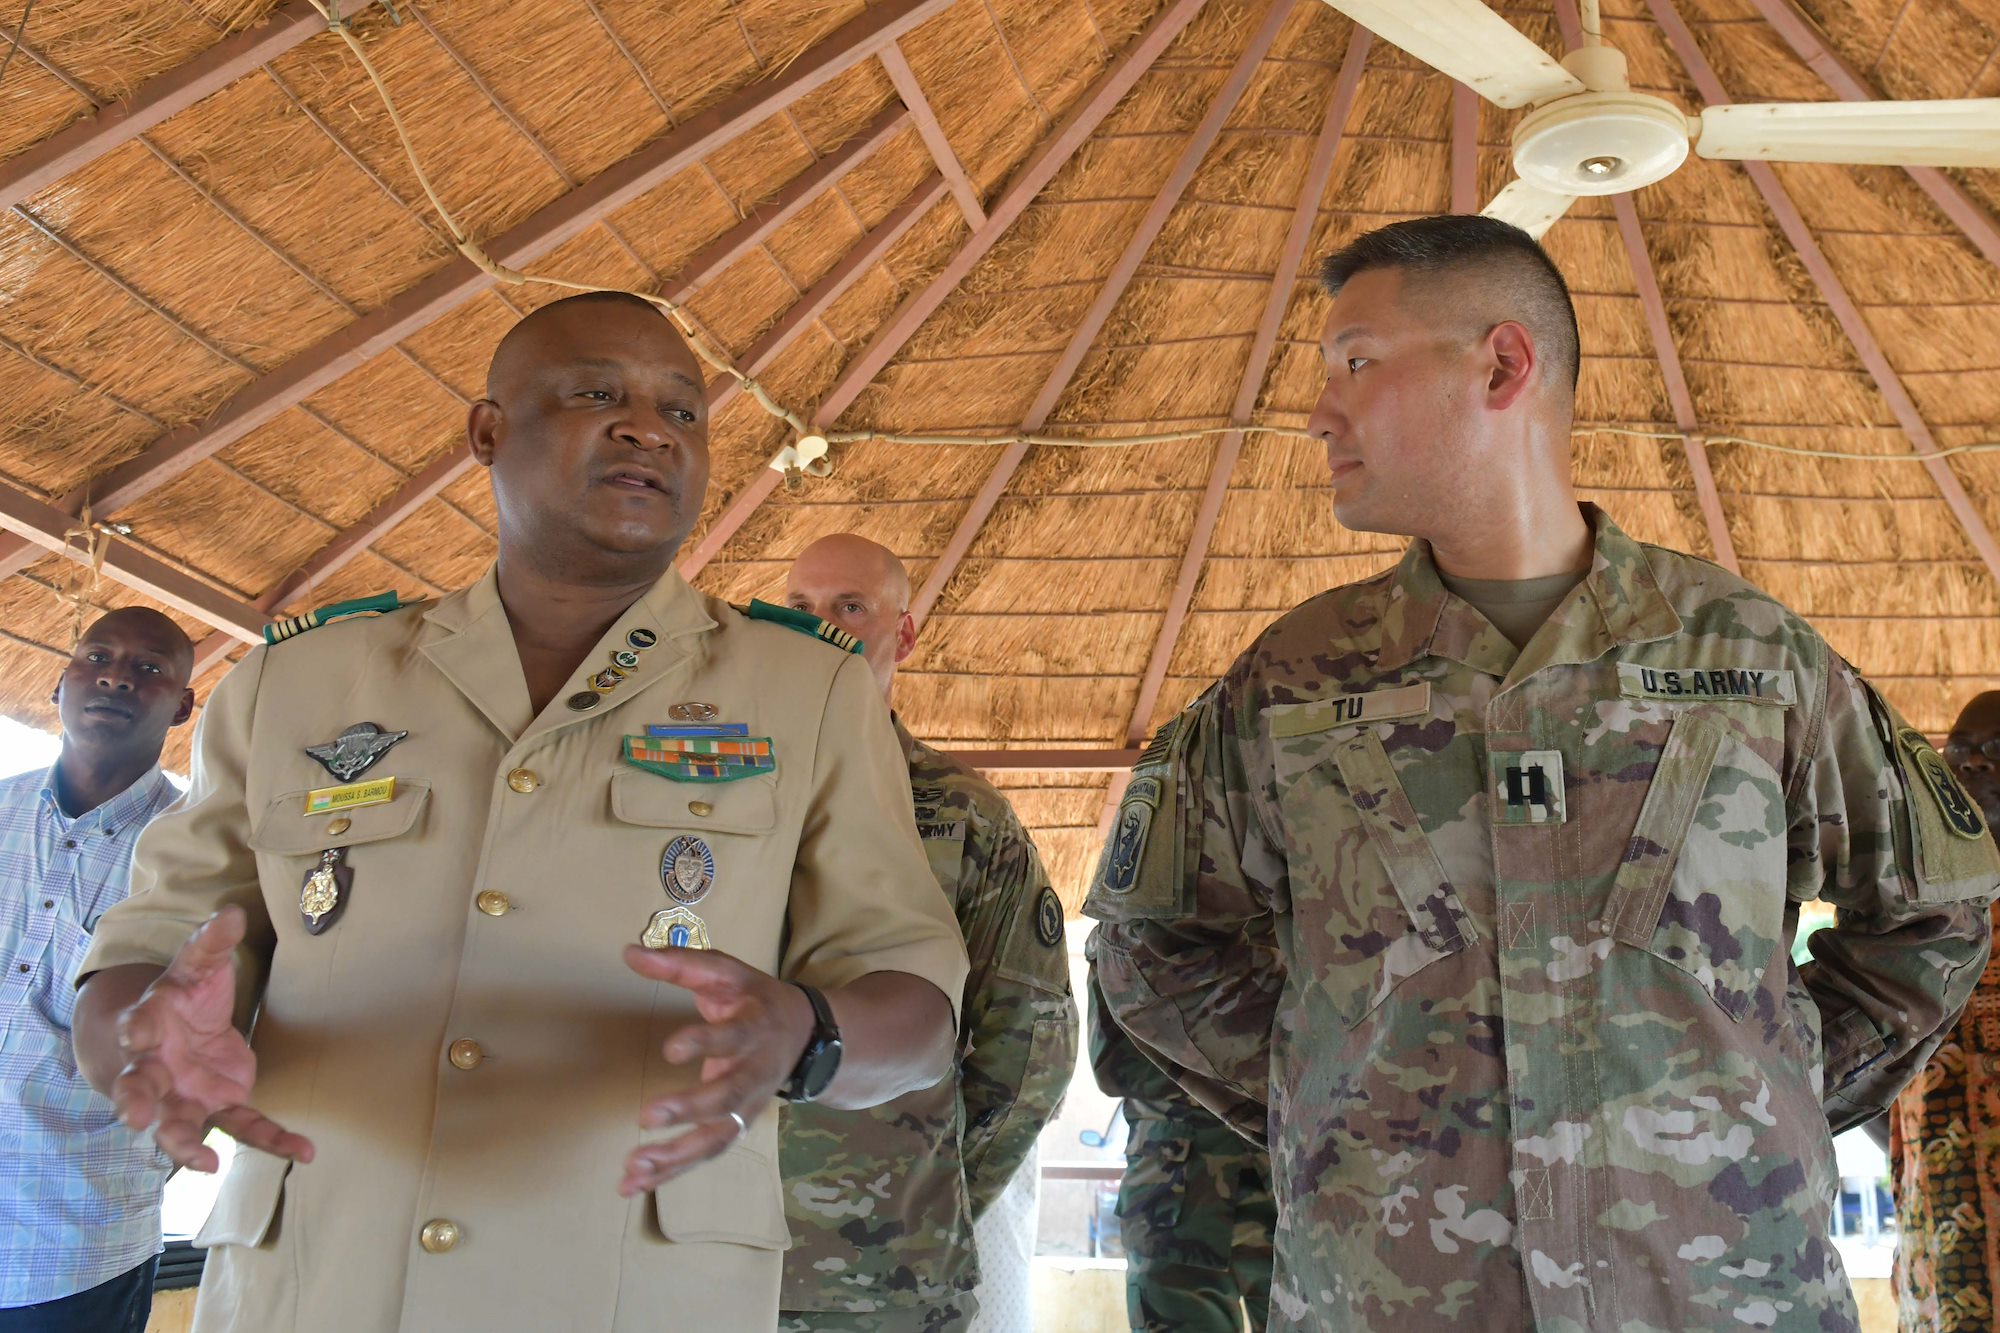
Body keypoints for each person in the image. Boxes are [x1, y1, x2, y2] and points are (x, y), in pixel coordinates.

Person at [1084, 215, 2000, 1332]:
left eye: (1354, 363)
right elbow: (1153, 945)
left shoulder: (1752, 658)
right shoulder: (1290, 682)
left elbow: (1932, 912)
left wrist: (1764, 1095)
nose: (1318, 411)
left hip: (1719, 1303)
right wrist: (1332, 1098)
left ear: (1501, 366)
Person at [68, 291, 969, 1333]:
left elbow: (918, 1007)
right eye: (597, 395)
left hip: (636, 1301)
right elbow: (145, 955)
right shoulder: (295, 685)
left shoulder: (807, 693)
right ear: (487, 431)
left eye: (682, 412)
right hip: (319, 1287)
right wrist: (137, 1037)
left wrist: (810, 1032)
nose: (648, 429)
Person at [779, 534, 1077, 1333]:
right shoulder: (713, 790)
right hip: (691, 1259)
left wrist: (924, 1191)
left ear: (902, 633)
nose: (820, 627)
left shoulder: (962, 814)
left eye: (850, 606)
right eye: (800, 607)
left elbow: (1032, 1045)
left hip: (879, 1281)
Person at [0, 608, 194, 1333]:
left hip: (75, 1247)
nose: (116, 676)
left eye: (149, 667)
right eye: (97, 656)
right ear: (59, 684)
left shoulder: (198, 855)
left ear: (183, 706)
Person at [1084, 943, 1273, 1333]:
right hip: (1175, 1203)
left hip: (1287, 1197)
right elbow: (1114, 1070)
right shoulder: (1129, 929)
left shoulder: (1296, 923)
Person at [1888, 690, 2000, 1332]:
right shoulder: (1908, 899)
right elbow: (1865, 1066)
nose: (1976, 762)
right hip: (1941, 1225)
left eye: (1996, 749)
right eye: (1958, 752)